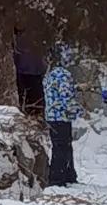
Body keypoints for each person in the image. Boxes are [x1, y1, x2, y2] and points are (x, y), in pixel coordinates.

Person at [42, 45, 78, 185]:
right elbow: (66, 97)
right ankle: (58, 178)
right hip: (62, 116)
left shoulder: (49, 74)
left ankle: (67, 175)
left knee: (59, 146)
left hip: (51, 116)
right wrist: (77, 110)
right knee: (63, 147)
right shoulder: (63, 74)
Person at [12, 25, 46, 118]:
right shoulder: (37, 29)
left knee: (26, 99)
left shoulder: (17, 36)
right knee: (35, 98)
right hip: (34, 70)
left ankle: (32, 117)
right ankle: (36, 118)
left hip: (24, 71)